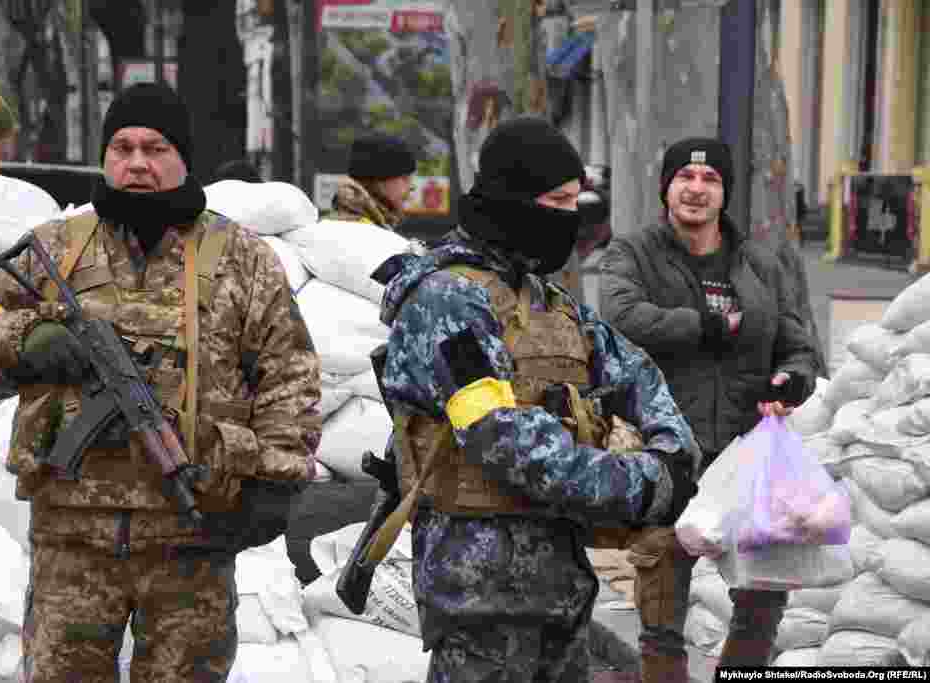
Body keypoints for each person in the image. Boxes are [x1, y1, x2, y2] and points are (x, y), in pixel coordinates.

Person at [0, 82, 321, 682]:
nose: (136, 164)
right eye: (122, 147)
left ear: (183, 159)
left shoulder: (243, 258)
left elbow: (289, 378)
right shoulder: (55, 249)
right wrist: (32, 342)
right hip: (72, 540)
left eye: (155, 148)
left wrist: (274, 481)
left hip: (192, 536)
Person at [374, 117, 699, 681]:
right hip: (480, 600)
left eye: (577, 201)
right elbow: (503, 437)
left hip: (561, 592)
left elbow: (637, 375)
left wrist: (672, 453)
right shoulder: (446, 301)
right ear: (512, 198)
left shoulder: (546, 300)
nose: (570, 218)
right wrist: (641, 485)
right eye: (558, 201)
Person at [600, 137, 820, 680]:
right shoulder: (633, 254)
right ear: (666, 187)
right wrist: (703, 324)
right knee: (663, 593)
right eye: (685, 179)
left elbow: (798, 343)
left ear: (724, 194)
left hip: (750, 446)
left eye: (710, 181)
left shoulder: (762, 266)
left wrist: (792, 380)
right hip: (668, 446)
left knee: (763, 591)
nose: (696, 190)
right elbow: (622, 317)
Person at [327, 131, 416, 230]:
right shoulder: (361, 232)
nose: (412, 187)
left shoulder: (336, 225)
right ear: (378, 180)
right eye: (405, 178)